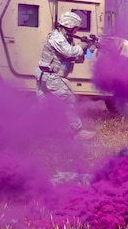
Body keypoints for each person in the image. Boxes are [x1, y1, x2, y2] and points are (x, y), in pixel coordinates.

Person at [35, 11, 96, 140]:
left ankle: (38, 131)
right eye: (76, 28)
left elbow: (77, 58)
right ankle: (78, 132)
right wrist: (83, 46)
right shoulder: (57, 38)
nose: (77, 30)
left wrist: (89, 50)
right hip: (51, 77)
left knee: (43, 105)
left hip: (46, 75)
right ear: (70, 26)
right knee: (68, 101)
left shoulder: (67, 39)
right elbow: (69, 53)